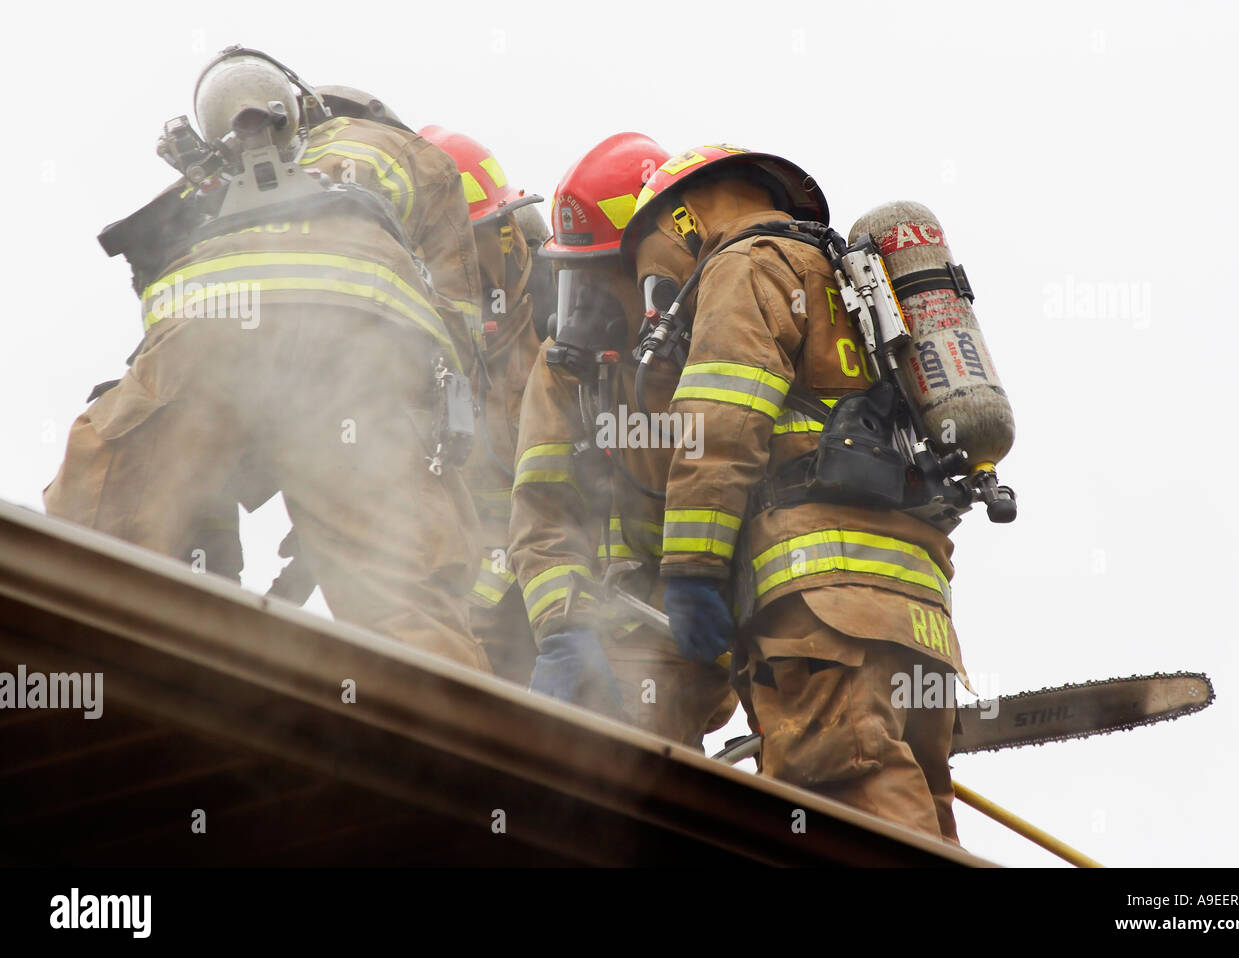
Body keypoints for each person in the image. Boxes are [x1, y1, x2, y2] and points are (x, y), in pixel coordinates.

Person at [44, 46, 489, 670]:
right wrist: (367, 481)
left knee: (105, 542)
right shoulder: (408, 153)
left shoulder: (199, 180)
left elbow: (165, 332)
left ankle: (140, 688)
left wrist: (203, 507)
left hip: (208, 336)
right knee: (403, 596)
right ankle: (457, 751)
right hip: (361, 352)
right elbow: (457, 332)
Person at [618, 145, 968, 841]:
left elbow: (718, 423)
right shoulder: (845, 273)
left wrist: (690, 570)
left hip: (823, 601)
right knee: (915, 802)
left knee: (844, 796)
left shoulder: (746, 264)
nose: (656, 298)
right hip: (913, 604)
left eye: (652, 271)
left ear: (682, 219)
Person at [508, 133, 735, 746]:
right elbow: (542, 514)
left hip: (709, 632)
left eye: (605, 274)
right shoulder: (565, 369)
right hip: (615, 628)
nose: (589, 304)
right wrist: (562, 631)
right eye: (575, 278)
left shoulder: (723, 349)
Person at [417, 124, 547, 684]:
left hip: (572, 584)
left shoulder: (561, 304)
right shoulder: (407, 343)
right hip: (468, 605)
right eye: (456, 251)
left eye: (488, 238)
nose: (474, 268)